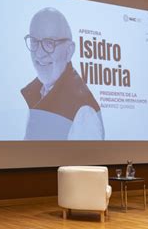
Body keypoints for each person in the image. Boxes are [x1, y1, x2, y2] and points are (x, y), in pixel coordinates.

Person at [21, 7, 104, 140]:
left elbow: (88, 160)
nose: (39, 53)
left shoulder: (83, 112)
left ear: (69, 51)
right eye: (34, 42)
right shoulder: (38, 94)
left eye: (49, 43)